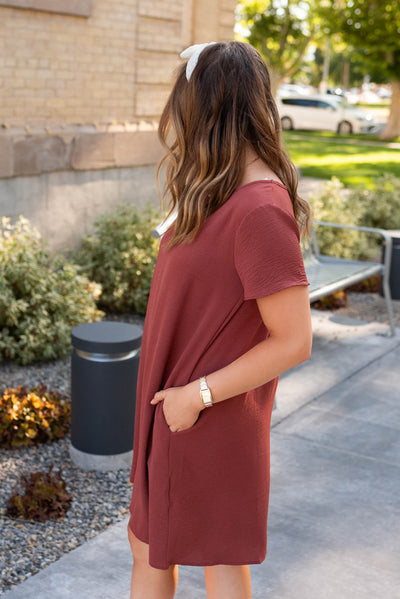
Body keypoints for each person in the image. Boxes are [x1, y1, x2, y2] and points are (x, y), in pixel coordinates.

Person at [127, 41, 313, 599]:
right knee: (152, 548)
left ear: (209, 110)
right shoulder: (215, 191)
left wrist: (196, 396)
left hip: (207, 411)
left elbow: (294, 339)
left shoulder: (259, 208)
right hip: (176, 405)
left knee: (217, 559)